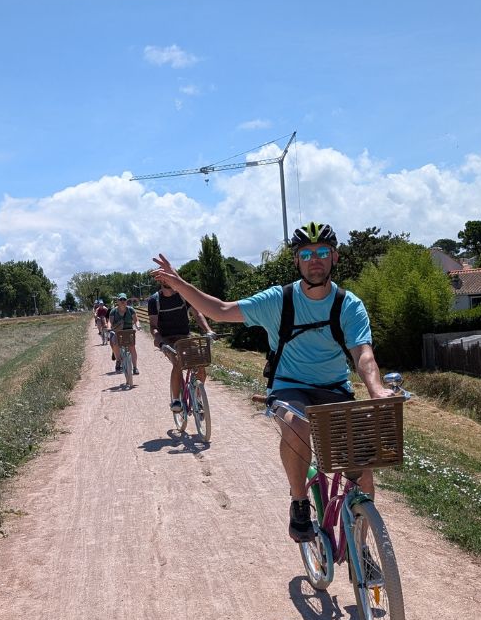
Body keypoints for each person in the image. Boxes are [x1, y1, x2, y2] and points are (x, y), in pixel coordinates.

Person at [152, 222, 395, 543]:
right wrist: (179, 284)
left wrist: (376, 389)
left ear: (335, 256)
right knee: (298, 425)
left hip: (334, 390)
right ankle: (299, 500)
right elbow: (222, 311)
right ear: (296, 261)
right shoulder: (278, 300)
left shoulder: (348, 305)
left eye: (322, 252)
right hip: (288, 387)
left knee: (363, 474)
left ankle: (363, 548)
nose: (315, 259)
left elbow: (363, 354)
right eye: (306, 254)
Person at [147, 279, 212, 414]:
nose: (167, 281)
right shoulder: (154, 300)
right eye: (163, 278)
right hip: (167, 339)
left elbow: (197, 313)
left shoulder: (183, 295)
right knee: (178, 362)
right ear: (159, 281)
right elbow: (153, 327)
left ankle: (198, 399)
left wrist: (208, 330)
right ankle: (176, 400)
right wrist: (161, 343)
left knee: (200, 363)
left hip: (185, 337)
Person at [108, 293, 139, 374]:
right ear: (117, 301)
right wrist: (109, 327)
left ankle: (135, 367)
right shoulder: (113, 311)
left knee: (132, 347)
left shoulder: (131, 310)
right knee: (114, 341)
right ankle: (118, 360)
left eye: (124, 299)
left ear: (126, 301)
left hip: (129, 331)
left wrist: (138, 326)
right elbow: (110, 322)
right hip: (118, 332)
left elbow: (136, 320)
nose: (122, 301)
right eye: (120, 299)